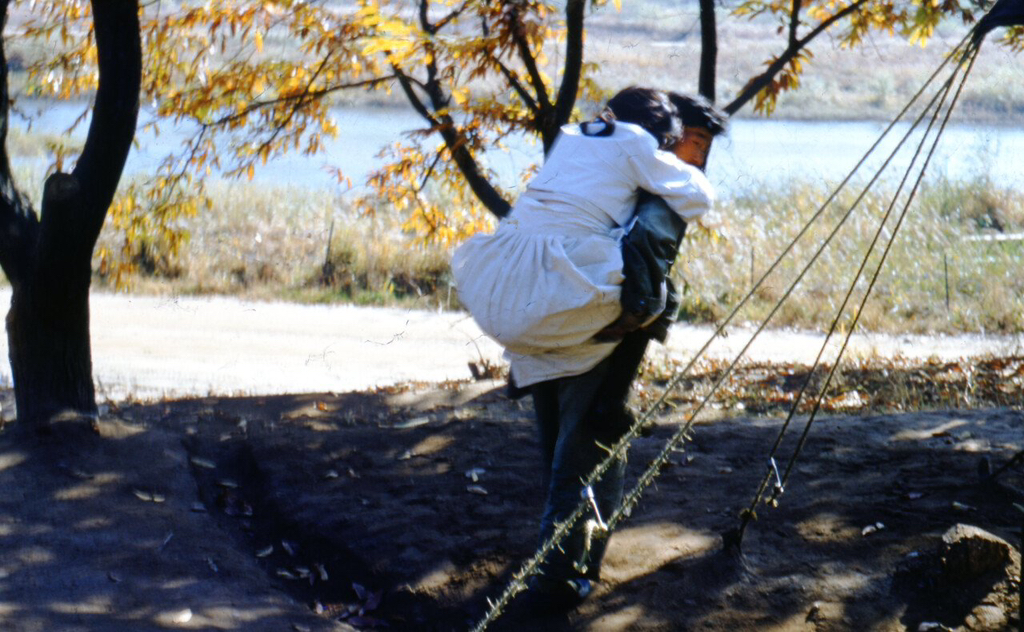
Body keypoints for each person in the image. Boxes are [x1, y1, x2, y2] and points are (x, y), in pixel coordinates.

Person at [452, 88, 727, 612]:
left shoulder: (580, 143)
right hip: (583, 317)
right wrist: (644, 314)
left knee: (568, 448)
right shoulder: (654, 185)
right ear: (663, 140)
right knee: (582, 453)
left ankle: (572, 562)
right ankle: (555, 581)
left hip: (522, 301)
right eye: (690, 142)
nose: (696, 157)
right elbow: (683, 217)